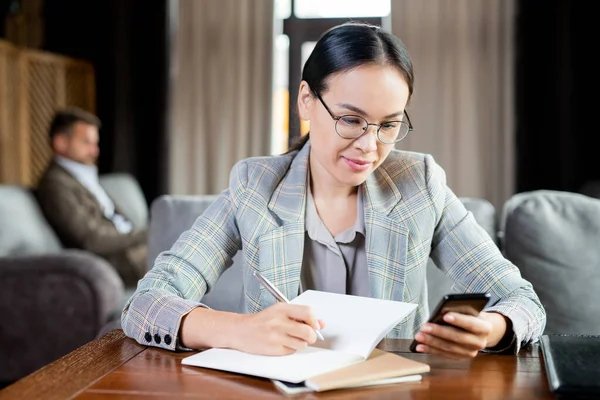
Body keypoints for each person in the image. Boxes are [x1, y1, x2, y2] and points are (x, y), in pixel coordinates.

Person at [122, 22, 546, 359]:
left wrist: (490, 330)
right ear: (306, 101)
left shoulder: (421, 183)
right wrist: (238, 330)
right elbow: (145, 303)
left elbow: (521, 300)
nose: (369, 145)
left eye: (389, 125)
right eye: (350, 119)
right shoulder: (254, 186)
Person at [36, 107, 148, 286]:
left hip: (136, 251)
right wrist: (146, 235)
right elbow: (92, 239)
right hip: (119, 261)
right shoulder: (56, 184)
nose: (95, 152)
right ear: (61, 142)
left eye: (95, 144)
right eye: (87, 143)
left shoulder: (86, 177)